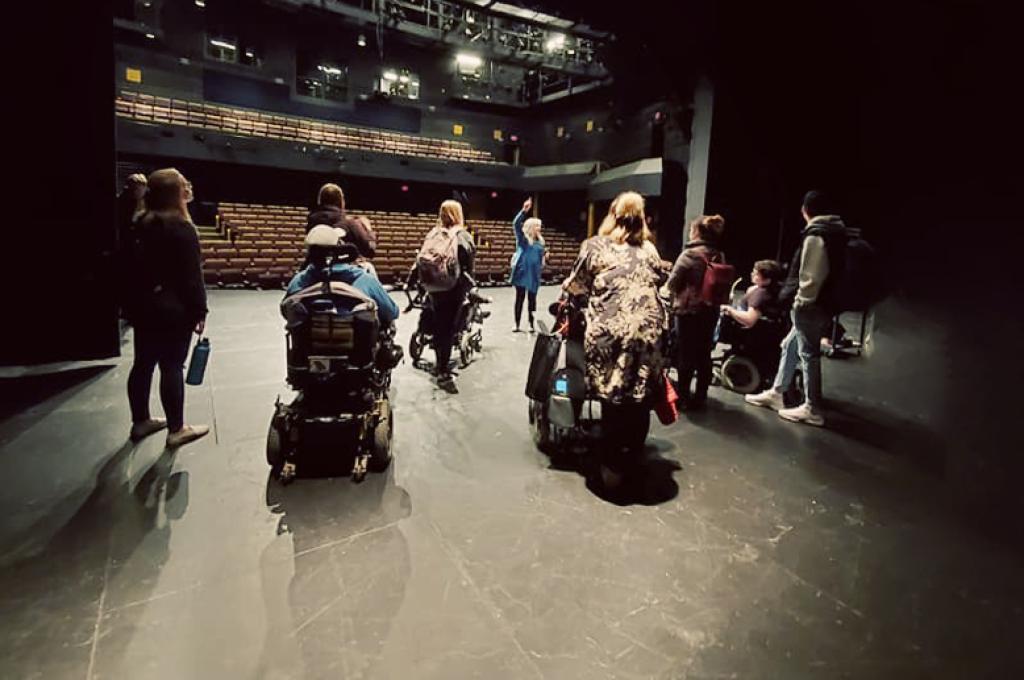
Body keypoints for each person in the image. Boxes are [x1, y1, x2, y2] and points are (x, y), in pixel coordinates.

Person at [562, 191, 669, 490]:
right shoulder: (649, 249)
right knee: (640, 399)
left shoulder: (595, 246)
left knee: (613, 398)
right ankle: (632, 460)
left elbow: (576, 286)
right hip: (649, 334)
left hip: (611, 333)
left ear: (612, 215)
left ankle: (612, 470)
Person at [745, 190, 848, 426]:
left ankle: (812, 408)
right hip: (823, 303)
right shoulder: (835, 232)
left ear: (805, 210)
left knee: (809, 354)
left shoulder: (817, 234)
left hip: (810, 306)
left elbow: (811, 275)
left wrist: (801, 303)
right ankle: (777, 392)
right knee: (789, 345)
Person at [124, 168, 210, 448]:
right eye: (184, 184)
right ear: (175, 193)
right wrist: (200, 310)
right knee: (172, 366)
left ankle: (140, 421)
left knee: (143, 364)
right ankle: (176, 429)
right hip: (174, 310)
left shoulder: (140, 223)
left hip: (144, 306)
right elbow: (192, 278)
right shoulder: (182, 228)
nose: (188, 188)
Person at [666, 214, 727, 410]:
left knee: (685, 354)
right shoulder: (719, 254)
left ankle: (683, 397)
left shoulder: (690, 254)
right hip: (711, 310)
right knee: (704, 354)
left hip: (688, 311)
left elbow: (672, 283)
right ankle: (701, 396)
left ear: (697, 232)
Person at [285, 225, 399, 326]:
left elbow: (286, 311)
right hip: (358, 342)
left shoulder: (298, 282)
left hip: (309, 342)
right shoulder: (365, 280)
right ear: (339, 248)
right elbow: (391, 312)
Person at [423, 200, 475, 394]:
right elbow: (469, 266)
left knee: (439, 325)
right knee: (448, 329)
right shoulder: (462, 235)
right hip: (453, 288)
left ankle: (439, 361)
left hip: (433, 286)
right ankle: (443, 370)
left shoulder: (433, 234)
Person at [306, 183, 378, 261]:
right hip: (341, 266)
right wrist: (368, 229)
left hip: (315, 266)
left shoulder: (311, 222)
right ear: (341, 201)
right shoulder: (349, 223)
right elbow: (370, 251)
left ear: (320, 201)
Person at [509, 197, 546, 332]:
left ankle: (531, 323)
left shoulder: (540, 243)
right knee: (520, 299)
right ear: (531, 227)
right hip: (522, 273)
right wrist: (524, 211)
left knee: (532, 300)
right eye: (537, 226)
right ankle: (517, 323)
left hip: (534, 274)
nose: (539, 228)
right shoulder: (523, 240)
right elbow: (516, 224)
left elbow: (540, 259)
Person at [721, 259, 784, 328]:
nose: (752, 274)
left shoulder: (760, 294)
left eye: (756, 274)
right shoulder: (768, 289)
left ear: (767, 280)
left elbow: (749, 320)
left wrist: (730, 310)